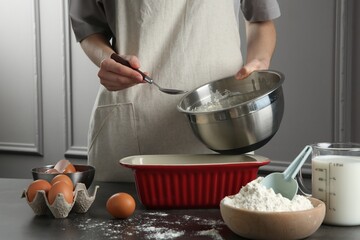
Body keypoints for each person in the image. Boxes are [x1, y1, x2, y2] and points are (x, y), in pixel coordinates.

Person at [69, 0, 281, 182]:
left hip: (224, 125)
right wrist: (107, 60)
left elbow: (261, 19)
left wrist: (259, 62)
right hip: (134, 130)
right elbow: (88, 27)